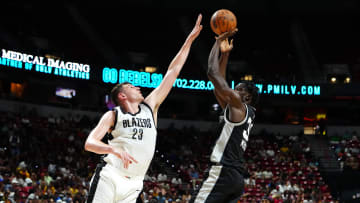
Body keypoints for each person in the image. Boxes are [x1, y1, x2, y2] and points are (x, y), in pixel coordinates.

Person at [84, 14, 203, 203]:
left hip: (135, 183)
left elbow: (173, 72)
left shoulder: (150, 107)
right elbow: (90, 143)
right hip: (110, 176)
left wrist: (190, 39)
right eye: (132, 87)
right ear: (122, 96)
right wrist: (114, 151)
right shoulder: (113, 115)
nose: (137, 87)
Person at [192, 29, 259, 203]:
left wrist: (217, 41)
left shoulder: (238, 105)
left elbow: (212, 73)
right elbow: (218, 85)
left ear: (247, 97)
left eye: (238, 89)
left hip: (223, 171)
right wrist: (225, 55)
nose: (233, 91)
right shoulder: (243, 112)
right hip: (235, 178)